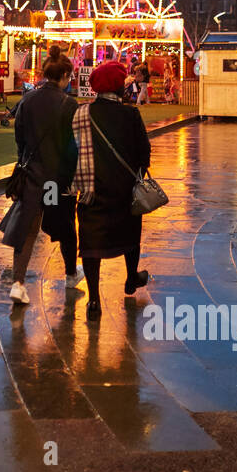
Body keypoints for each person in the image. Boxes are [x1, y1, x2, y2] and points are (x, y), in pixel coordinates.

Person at [70, 60, 152, 320]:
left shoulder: (82, 114)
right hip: (125, 191)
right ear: (119, 87)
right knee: (130, 236)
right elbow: (144, 154)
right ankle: (130, 279)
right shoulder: (131, 115)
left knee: (91, 244)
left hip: (92, 189)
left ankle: (94, 299)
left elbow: (72, 151)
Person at [6, 45, 79, 306]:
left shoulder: (28, 99)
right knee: (66, 226)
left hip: (32, 174)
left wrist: (24, 160)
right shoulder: (69, 103)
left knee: (27, 229)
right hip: (57, 178)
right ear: (65, 76)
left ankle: (18, 282)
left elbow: (20, 138)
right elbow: (73, 146)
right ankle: (71, 274)